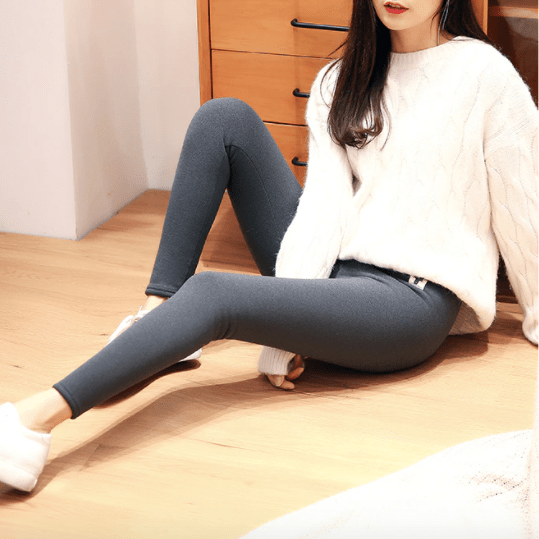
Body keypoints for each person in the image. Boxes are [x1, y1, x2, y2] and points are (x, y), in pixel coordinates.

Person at [0, 0, 536, 494]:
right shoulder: (341, 78)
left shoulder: (483, 74)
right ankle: (158, 312)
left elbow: (524, 207)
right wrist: (287, 332)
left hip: (406, 300)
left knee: (214, 294)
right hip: (337, 267)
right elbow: (322, 211)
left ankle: (32, 420)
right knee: (223, 118)